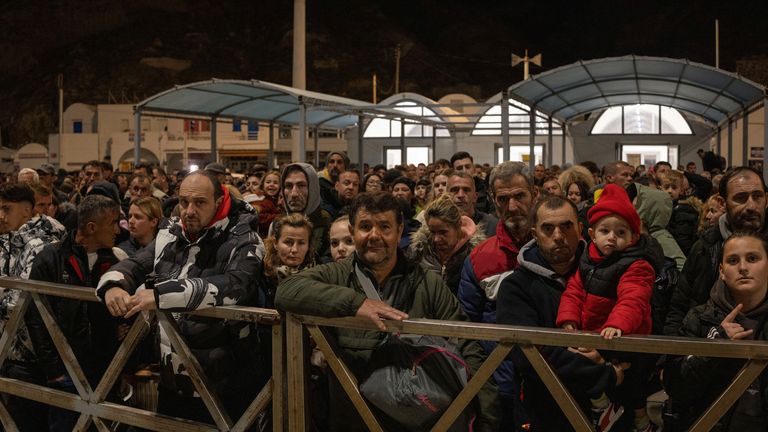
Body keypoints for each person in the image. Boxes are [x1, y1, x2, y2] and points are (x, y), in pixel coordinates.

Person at [275, 192, 499, 431]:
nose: (374, 235)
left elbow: (466, 344)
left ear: (400, 231)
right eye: (365, 226)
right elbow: (288, 290)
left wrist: (489, 419)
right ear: (352, 231)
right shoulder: (337, 276)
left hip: (421, 422)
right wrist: (356, 303)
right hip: (354, 421)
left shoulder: (426, 282)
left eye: (384, 226)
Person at [95, 170, 265, 424]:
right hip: (171, 377)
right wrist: (112, 286)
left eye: (199, 202)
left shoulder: (245, 238)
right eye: (183, 202)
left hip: (225, 382)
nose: (188, 210)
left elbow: (236, 285)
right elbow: (134, 264)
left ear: (219, 202)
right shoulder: (171, 232)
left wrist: (161, 295)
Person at [497, 195, 624, 432]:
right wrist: (601, 372)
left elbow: (635, 325)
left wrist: (603, 358)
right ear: (534, 234)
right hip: (545, 411)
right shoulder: (516, 286)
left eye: (566, 226)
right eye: (548, 228)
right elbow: (528, 354)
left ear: (580, 229)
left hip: (613, 409)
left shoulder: (613, 271)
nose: (558, 236)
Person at [556, 184, 663, 432]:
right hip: (595, 335)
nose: (611, 237)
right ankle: (603, 407)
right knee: (583, 370)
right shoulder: (589, 259)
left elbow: (633, 298)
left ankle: (642, 421)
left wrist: (617, 324)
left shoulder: (636, 264)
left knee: (631, 386)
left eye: (620, 231)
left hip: (626, 337)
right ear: (593, 235)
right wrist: (568, 319)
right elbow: (574, 290)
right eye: (605, 231)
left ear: (633, 237)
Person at [26, 195, 126, 431]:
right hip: (66, 371)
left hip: (105, 370)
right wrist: (54, 371)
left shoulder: (117, 260)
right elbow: (36, 316)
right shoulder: (50, 258)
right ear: (92, 227)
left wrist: (124, 367)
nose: (118, 231)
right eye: (112, 223)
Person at [458, 161, 537, 426]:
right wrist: (483, 376)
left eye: (519, 196)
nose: (512, 206)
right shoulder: (480, 258)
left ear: (534, 195)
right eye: (503, 199)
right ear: (493, 201)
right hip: (498, 381)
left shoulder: (557, 249)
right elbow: (466, 324)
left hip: (551, 377)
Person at [663, 232, 768, 431]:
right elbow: (676, 387)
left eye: (753, 258)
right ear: (721, 271)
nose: (743, 268)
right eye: (733, 260)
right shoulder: (700, 317)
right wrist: (716, 343)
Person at [665, 167, 768, 336]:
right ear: (723, 202)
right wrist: (673, 353)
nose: (751, 205)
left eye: (757, 196)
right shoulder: (705, 247)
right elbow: (680, 306)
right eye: (741, 198)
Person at [0, 183, 66, 431]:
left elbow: (22, 300)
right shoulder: (10, 239)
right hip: (13, 349)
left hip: (29, 353)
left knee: (26, 421)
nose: (1, 215)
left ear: (27, 211)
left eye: (7, 208)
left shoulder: (39, 244)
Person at [408, 195, 485, 295]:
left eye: (443, 232)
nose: (436, 239)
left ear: (458, 227)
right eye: (432, 232)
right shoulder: (419, 252)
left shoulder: (475, 255)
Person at [259, 213, 315, 308]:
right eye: (288, 242)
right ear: (276, 243)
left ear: (308, 246)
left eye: (301, 243)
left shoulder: (319, 273)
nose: (294, 250)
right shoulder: (260, 275)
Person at [282, 163, 332, 258]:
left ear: (313, 189)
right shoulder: (278, 222)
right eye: (288, 186)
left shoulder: (325, 221)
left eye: (301, 185)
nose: (294, 194)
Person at [658, 170, 702, 256]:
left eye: (674, 188)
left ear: (681, 191)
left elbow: (683, 241)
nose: (670, 191)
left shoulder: (684, 209)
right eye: (666, 187)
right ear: (660, 189)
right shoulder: (663, 207)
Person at [448, 171, 498, 237]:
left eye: (466, 190)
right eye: (454, 190)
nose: (460, 195)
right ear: (445, 195)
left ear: (475, 196)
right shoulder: (437, 225)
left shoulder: (491, 225)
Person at [252, 170, 281, 238]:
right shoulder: (259, 200)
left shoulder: (279, 200)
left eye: (275, 182)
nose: (271, 184)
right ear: (262, 185)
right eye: (268, 182)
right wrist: (280, 217)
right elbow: (260, 218)